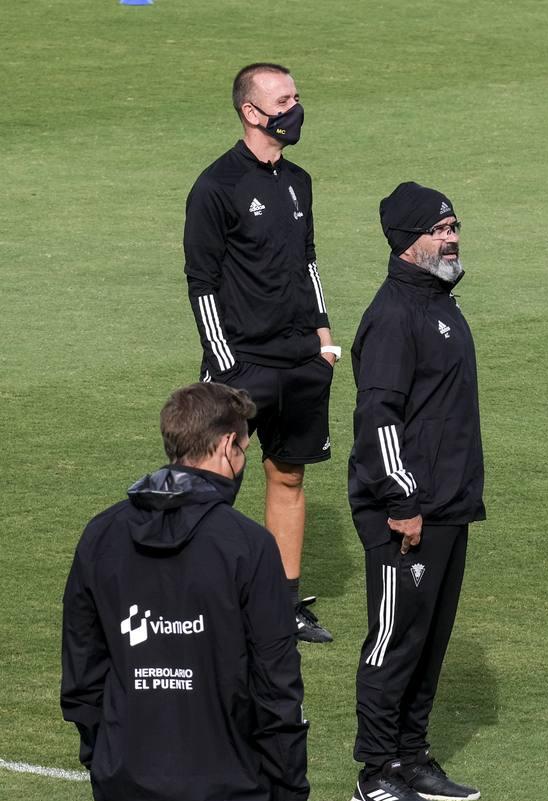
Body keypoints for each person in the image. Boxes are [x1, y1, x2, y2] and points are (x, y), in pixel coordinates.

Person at [61, 383, 308, 801]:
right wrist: (287, 795)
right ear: (225, 447)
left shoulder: (101, 535)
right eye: (244, 448)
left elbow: (82, 677)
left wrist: (105, 763)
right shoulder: (249, 547)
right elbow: (276, 684)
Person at [184, 62, 339, 643]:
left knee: (290, 476)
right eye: (284, 98)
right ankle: (197, 600)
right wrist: (222, 362)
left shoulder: (299, 180)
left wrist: (323, 338)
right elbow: (201, 281)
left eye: (297, 94)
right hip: (242, 363)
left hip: (301, 360)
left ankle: (283, 602)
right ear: (252, 112)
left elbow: (309, 263)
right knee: (213, 480)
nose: (296, 107)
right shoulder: (216, 186)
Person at [346, 182, 484, 801]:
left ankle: (411, 754)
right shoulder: (394, 315)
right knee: (393, 637)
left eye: (454, 225)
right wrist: (400, 498)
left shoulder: (439, 304)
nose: (452, 237)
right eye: (441, 228)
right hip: (405, 509)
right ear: (409, 241)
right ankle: (375, 770)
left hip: (448, 504)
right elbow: (379, 416)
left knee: (429, 639)